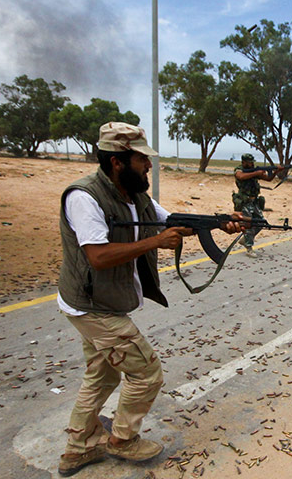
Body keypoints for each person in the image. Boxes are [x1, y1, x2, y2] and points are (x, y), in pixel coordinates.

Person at [56, 122, 242, 477]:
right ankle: (122, 441)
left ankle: (77, 450)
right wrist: (155, 242)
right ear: (117, 161)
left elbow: (168, 219)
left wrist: (219, 222)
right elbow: (97, 255)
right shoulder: (84, 197)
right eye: (142, 159)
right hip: (92, 306)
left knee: (102, 376)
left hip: (102, 301)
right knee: (147, 373)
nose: (148, 167)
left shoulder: (134, 193)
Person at [233, 153, 283, 257]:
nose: (251, 164)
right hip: (244, 201)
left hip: (254, 201)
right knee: (248, 224)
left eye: (252, 162)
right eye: (249, 162)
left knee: (261, 222)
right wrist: (256, 173)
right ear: (244, 162)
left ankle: (246, 239)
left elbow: (268, 179)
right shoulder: (239, 169)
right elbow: (240, 176)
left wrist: (275, 172)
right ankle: (249, 248)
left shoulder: (254, 170)